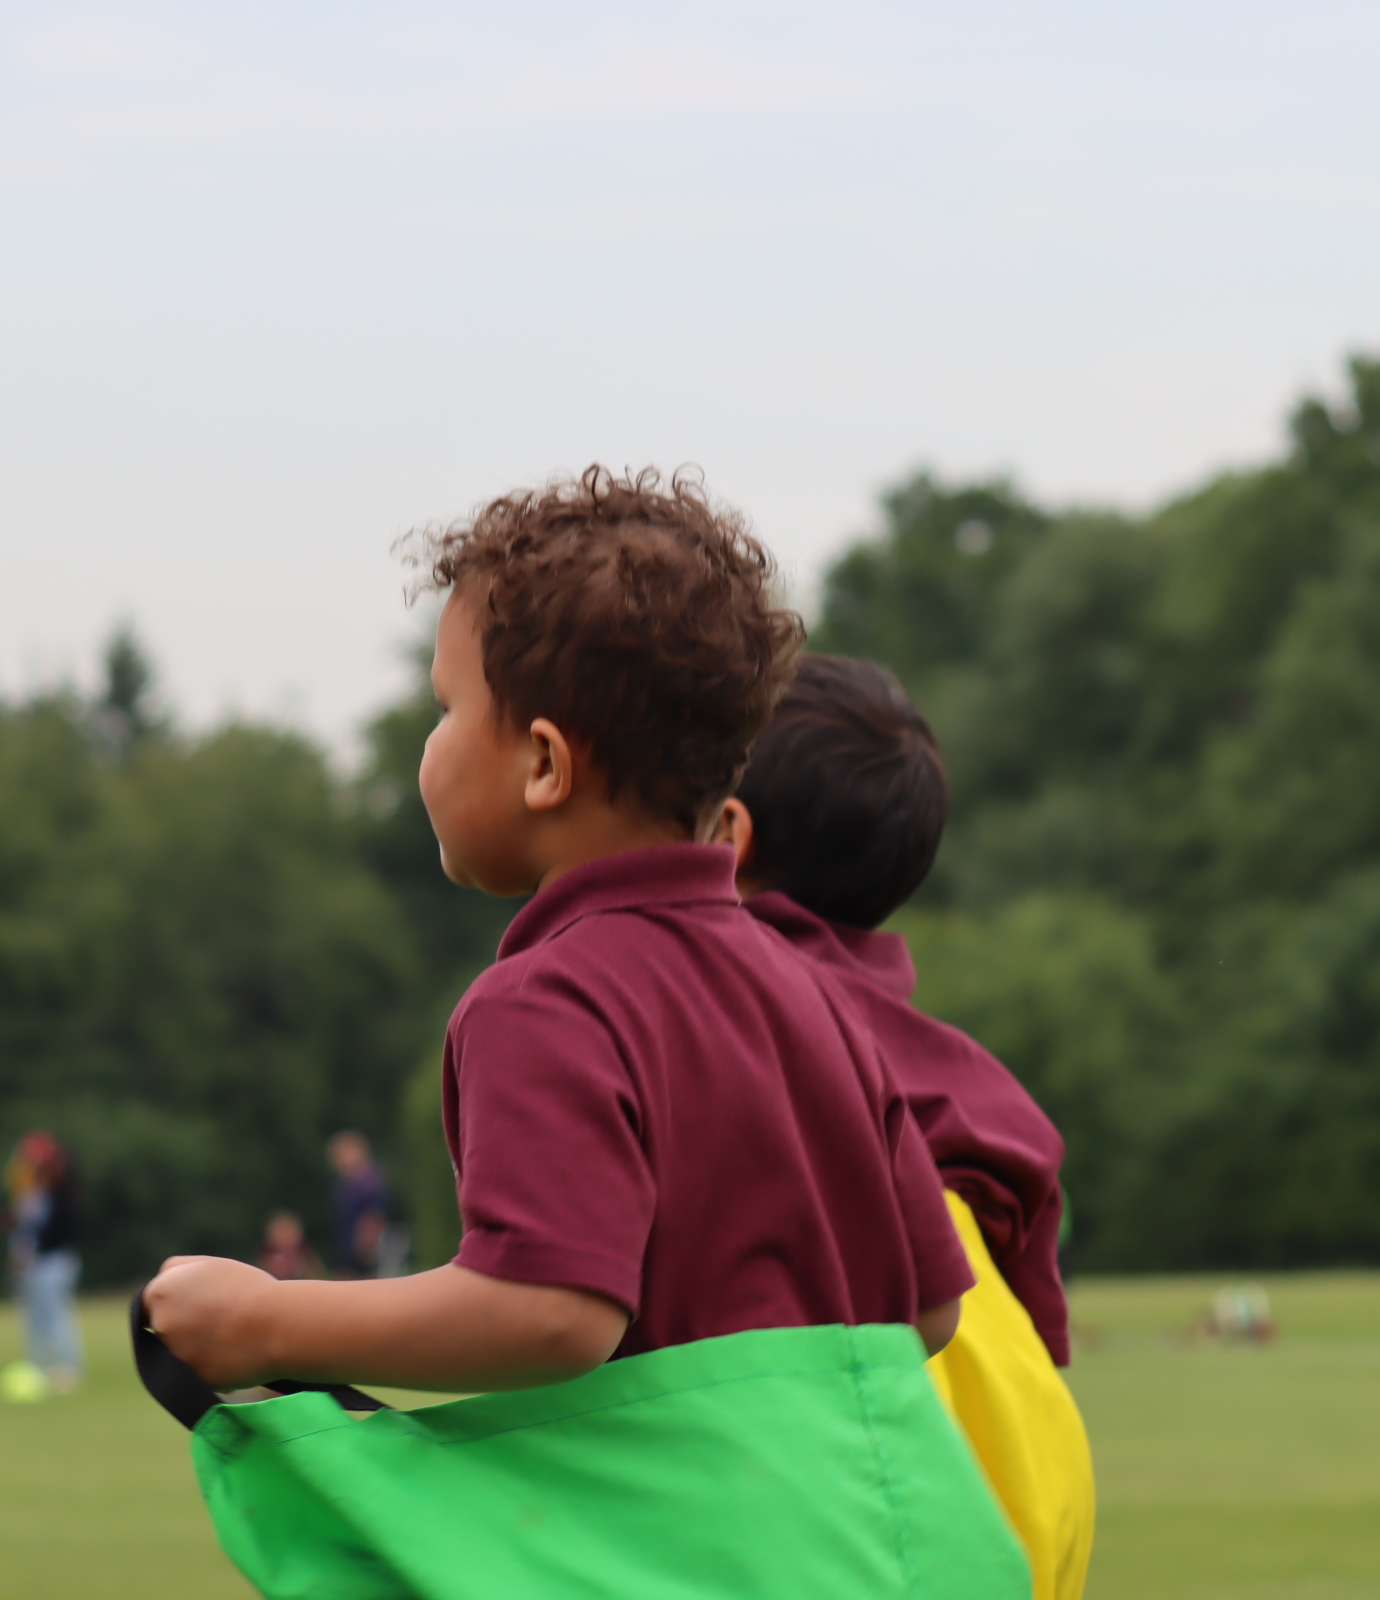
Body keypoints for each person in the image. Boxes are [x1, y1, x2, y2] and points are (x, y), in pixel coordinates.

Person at [145, 468, 1014, 1594]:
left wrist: (270, 1323)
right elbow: (931, 1307)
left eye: (446, 708)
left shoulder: (545, 1002)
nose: (430, 745)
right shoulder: (823, 998)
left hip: (698, 1566)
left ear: (546, 764)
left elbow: (552, 1312)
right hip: (898, 1553)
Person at [714, 652, 1095, 1600]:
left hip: (885, 1494)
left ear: (727, 834)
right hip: (1033, 1478)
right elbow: (1039, 1333)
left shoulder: (723, 1016)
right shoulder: (975, 1081)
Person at [8, 1131, 82, 1390]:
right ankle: (38, 1366)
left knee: (57, 1315)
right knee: (35, 1318)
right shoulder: (32, 1193)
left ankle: (68, 1367)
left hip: (55, 1260)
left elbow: (59, 1230)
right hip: (34, 1262)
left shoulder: (62, 1192)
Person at [325, 1131, 388, 1278]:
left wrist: (366, 1245)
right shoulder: (346, 1183)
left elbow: (373, 1217)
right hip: (347, 1250)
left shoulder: (368, 1183)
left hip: (360, 1252)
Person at [255, 1211, 323, 1281]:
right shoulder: (264, 1258)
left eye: (289, 1231)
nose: (285, 1236)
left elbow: (317, 1278)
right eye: (281, 1231)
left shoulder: (307, 1257)